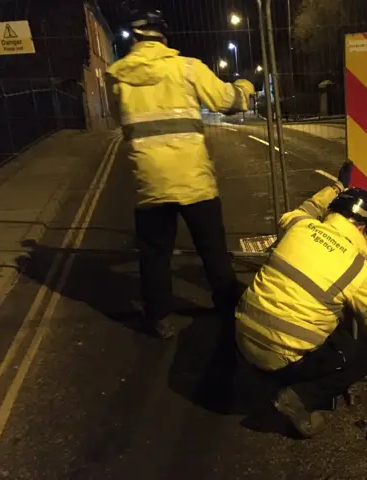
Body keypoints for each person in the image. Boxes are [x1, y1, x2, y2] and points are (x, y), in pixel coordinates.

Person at [105, 10, 255, 339]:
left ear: (135, 39)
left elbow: (122, 121)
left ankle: (159, 316)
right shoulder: (187, 68)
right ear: (164, 38)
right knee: (212, 247)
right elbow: (227, 101)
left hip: (150, 180)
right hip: (193, 179)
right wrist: (244, 87)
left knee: (155, 253)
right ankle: (227, 305)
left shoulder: (117, 76)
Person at [235, 161, 367, 438]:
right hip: (279, 357)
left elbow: (306, 208)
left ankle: (263, 374)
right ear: (360, 227)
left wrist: (336, 187)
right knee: (363, 355)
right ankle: (298, 397)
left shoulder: (299, 226)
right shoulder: (356, 268)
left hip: (241, 340)